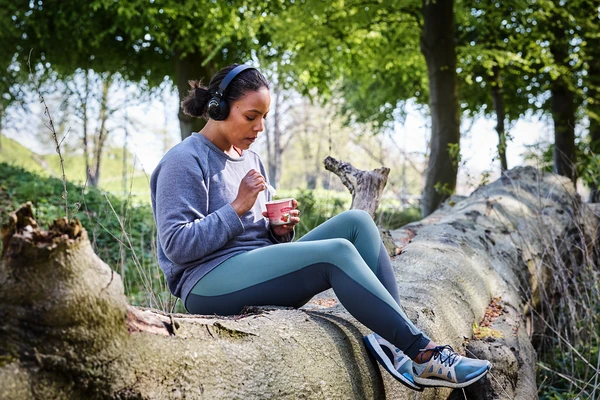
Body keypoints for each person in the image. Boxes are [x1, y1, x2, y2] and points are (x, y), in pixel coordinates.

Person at [150, 64, 491, 390]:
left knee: (356, 222)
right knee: (336, 253)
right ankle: (423, 353)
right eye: (251, 117)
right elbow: (177, 245)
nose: (260, 128)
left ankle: (393, 341)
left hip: (252, 269)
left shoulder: (250, 159)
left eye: (264, 118)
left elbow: (255, 233)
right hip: (207, 284)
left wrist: (279, 231)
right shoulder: (184, 160)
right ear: (218, 108)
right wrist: (237, 206)